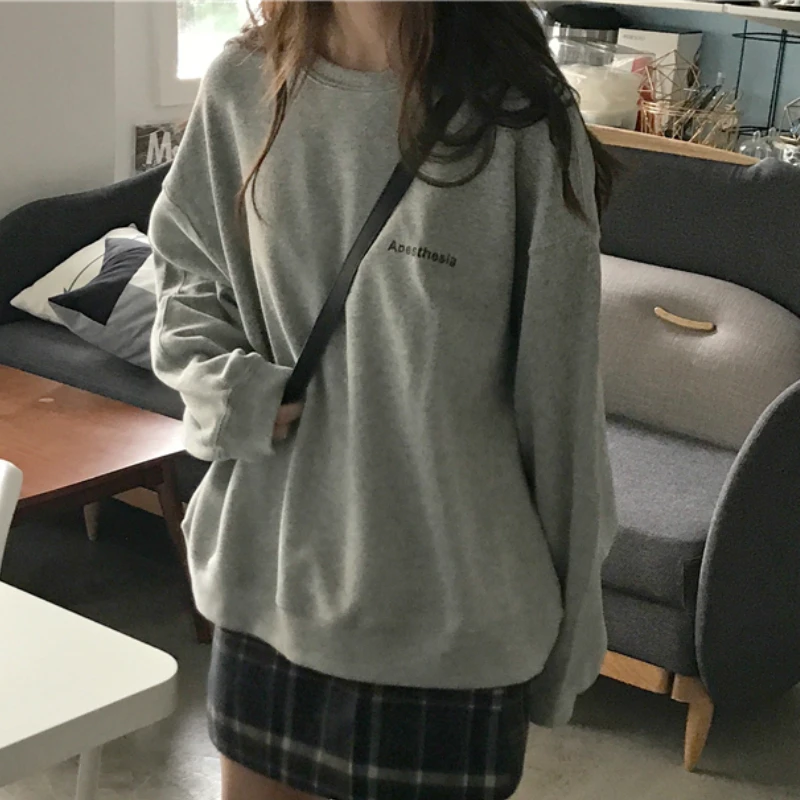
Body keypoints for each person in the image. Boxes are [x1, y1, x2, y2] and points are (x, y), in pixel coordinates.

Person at [149, 2, 617, 799]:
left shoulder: (523, 121)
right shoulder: (244, 85)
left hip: (452, 626)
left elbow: (562, 415)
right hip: (271, 592)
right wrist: (227, 393)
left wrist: (569, 645)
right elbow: (184, 273)